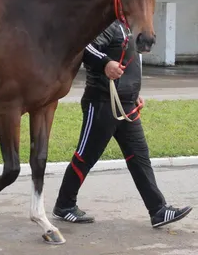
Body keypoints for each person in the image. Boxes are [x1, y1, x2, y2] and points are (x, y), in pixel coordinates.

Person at [52, 20, 192, 228]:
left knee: (140, 157)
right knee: (85, 156)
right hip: (101, 103)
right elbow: (85, 47)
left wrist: (134, 93)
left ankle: (158, 210)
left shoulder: (130, 28)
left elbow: (129, 62)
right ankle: (64, 206)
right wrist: (106, 63)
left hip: (126, 104)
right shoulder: (108, 25)